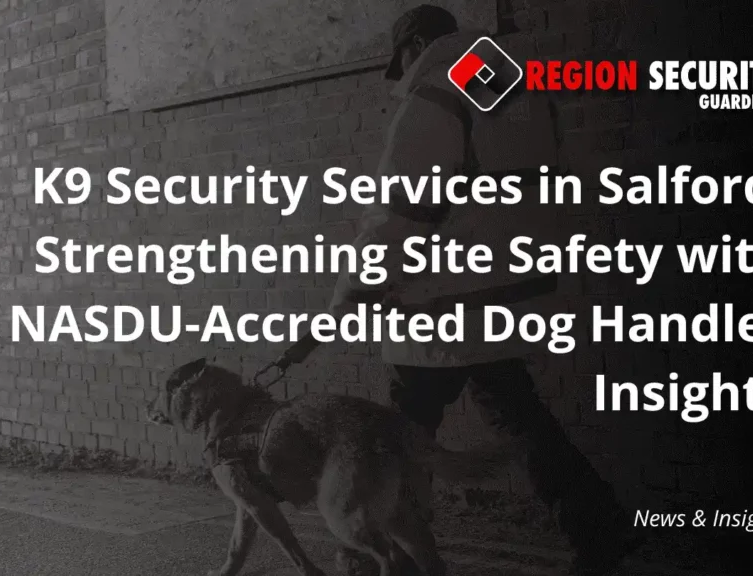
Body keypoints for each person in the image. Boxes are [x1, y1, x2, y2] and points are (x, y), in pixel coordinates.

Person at [267, 5, 641, 576]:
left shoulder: (436, 98)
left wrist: (349, 295)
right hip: (508, 295)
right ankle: (599, 525)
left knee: (397, 433)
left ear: (417, 43)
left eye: (403, 58)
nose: (403, 72)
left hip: (441, 303)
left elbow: (400, 215)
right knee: (518, 416)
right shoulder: (524, 93)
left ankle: (391, 552)